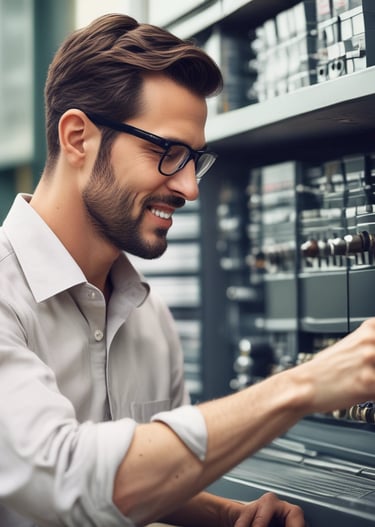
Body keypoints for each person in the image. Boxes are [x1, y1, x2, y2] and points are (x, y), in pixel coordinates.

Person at [1, 12, 375, 527]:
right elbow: (67, 480)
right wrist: (303, 385)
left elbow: (145, 479)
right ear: (77, 138)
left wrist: (226, 516)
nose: (190, 188)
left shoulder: (148, 314)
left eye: (193, 159)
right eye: (166, 152)